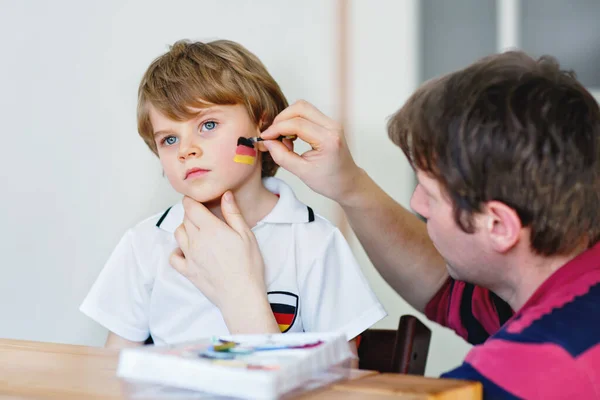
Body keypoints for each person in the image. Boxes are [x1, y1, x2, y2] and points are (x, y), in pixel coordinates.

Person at [176, 51, 600, 398]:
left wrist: (242, 302)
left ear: (500, 226)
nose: (415, 204)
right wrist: (351, 187)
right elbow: (448, 290)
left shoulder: (533, 372)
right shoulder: (562, 280)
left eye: (430, 194)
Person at [80, 39, 386, 350]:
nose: (186, 150)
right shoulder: (145, 243)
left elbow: (343, 372)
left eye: (208, 124)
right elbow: (115, 370)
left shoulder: (314, 242)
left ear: (262, 126)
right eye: (169, 139)